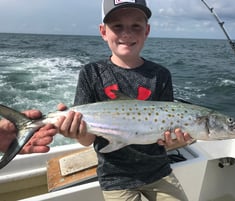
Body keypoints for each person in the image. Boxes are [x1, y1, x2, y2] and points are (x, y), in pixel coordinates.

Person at [56, 0, 191, 200]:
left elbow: (166, 137)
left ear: (147, 31)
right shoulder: (91, 73)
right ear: (103, 32)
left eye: (136, 26)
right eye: (117, 26)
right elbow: (87, 140)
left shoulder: (160, 75)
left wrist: (175, 142)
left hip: (159, 171)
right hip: (115, 177)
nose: (126, 34)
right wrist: (74, 131)